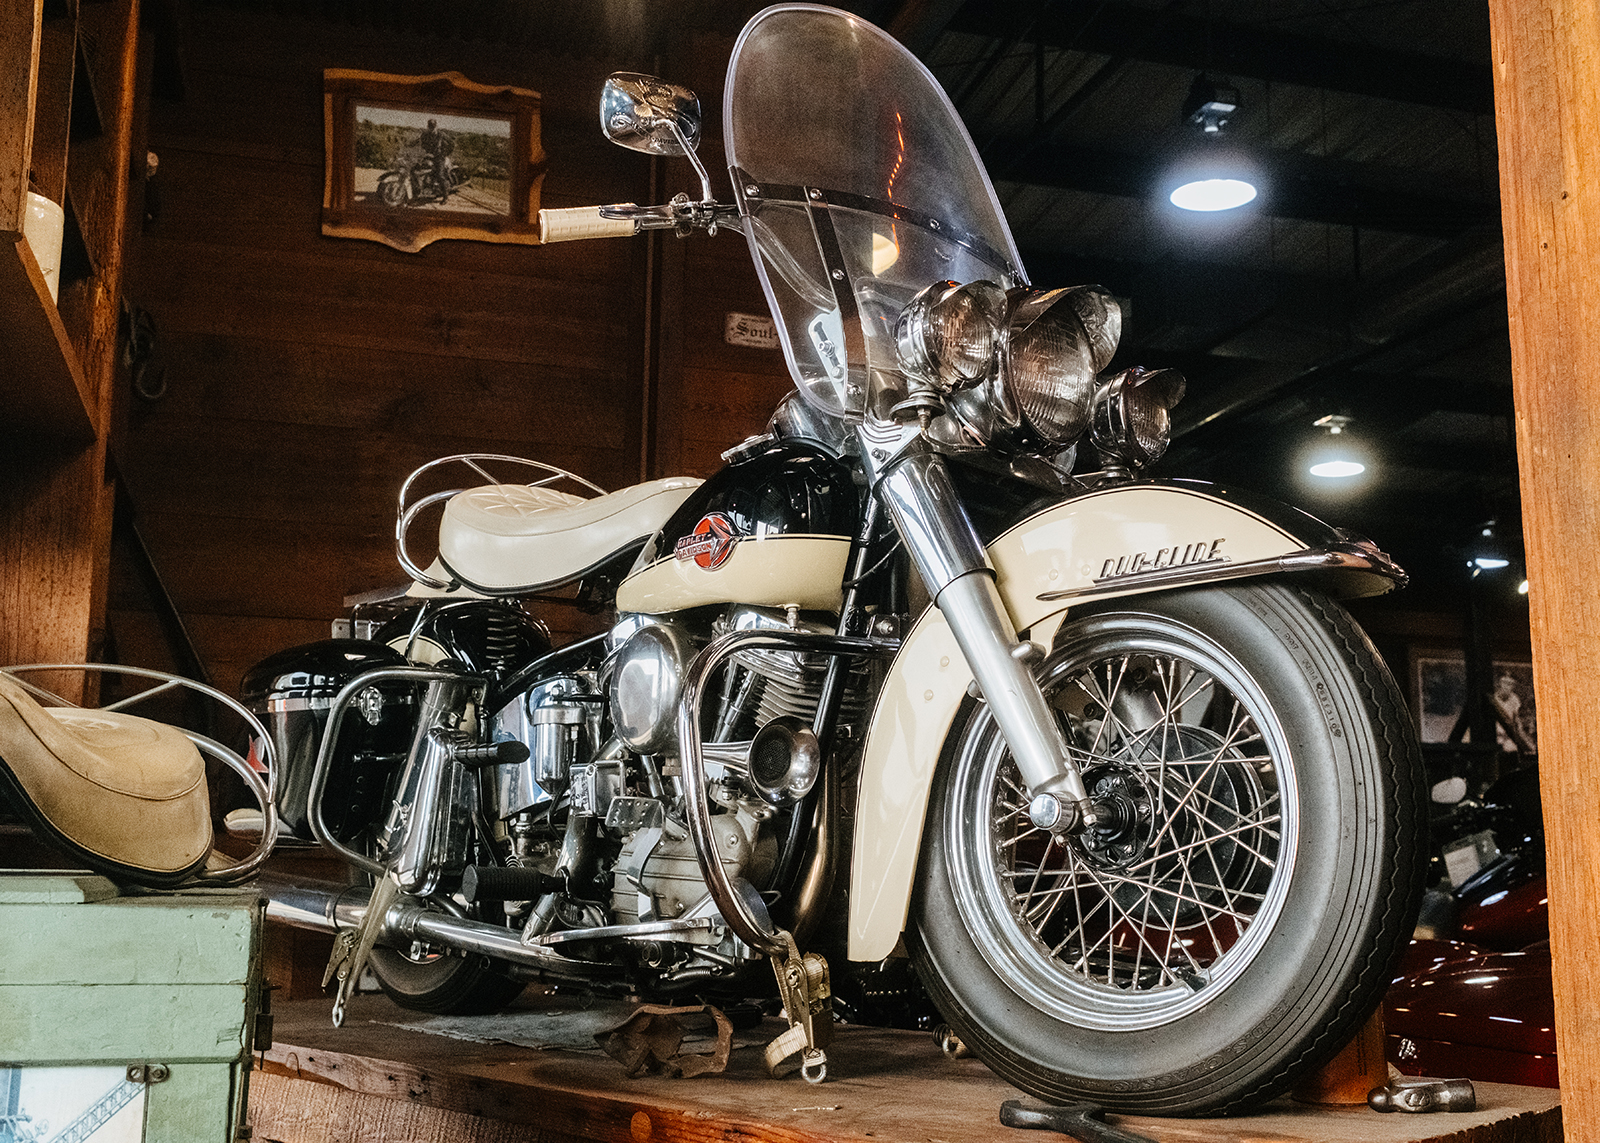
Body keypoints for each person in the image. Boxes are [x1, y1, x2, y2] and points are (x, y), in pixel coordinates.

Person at [418, 118, 454, 203]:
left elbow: (452, 144)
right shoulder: (425, 134)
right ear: (428, 127)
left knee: (440, 175)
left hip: (439, 157)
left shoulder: (441, 134)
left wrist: (444, 154)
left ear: (436, 126)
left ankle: (445, 197)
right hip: (428, 156)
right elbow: (421, 143)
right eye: (430, 127)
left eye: (433, 127)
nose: (432, 129)